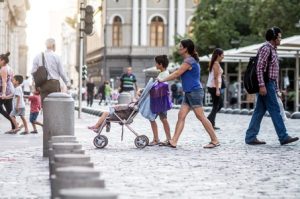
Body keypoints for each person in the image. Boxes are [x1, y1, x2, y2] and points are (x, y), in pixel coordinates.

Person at [158, 39, 219, 148]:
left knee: (201, 116)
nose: (179, 48)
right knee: (181, 115)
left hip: (194, 92)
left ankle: (215, 140)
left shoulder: (189, 61)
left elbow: (177, 73)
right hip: (189, 92)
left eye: (180, 47)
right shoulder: (189, 60)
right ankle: (174, 141)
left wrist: (163, 80)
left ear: (185, 49)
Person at [245, 27, 298, 145]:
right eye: (279, 37)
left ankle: (250, 137)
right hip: (266, 84)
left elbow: (274, 71)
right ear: (274, 38)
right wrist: (262, 85)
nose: (281, 39)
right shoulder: (266, 49)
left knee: (259, 111)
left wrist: (277, 89)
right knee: (275, 110)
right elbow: (259, 68)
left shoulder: (273, 49)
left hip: (270, 84)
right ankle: (283, 136)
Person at [31, 38, 69, 104]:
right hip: (54, 84)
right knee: (55, 105)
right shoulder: (57, 57)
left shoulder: (38, 56)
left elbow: (33, 72)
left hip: (43, 84)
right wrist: (67, 83)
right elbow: (62, 72)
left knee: (45, 105)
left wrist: (36, 84)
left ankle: (46, 114)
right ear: (54, 45)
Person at [148, 55, 171, 146]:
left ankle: (158, 139)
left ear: (160, 64)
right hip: (159, 100)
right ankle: (165, 138)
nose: (155, 65)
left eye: (156, 63)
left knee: (158, 118)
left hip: (160, 100)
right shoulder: (162, 73)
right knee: (161, 119)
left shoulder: (164, 74)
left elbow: (161, 86)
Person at [206, 48, 224, 130]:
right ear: (218, 55)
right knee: (218, 105)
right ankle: (209, 120)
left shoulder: (214, 63)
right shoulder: (216, 64)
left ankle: (211, 122)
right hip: (214, 87)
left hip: (213, 87)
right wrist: (217, 89)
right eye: (222, 55)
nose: (223, 56)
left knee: (217, 105)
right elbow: (216, 78)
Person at [0, 52, 18, 133]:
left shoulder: (3, 69)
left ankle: (15, 123)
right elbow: (12, 80)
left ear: (2, 60)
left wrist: (3, 93)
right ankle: (14, 127)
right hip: (10, 89)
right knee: (9, 109)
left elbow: (4, 82)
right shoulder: (9, 68)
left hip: (5, 91)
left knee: (3, 109)